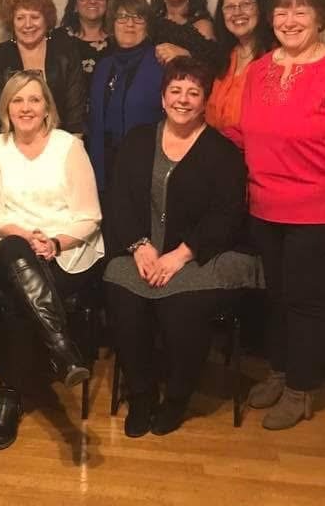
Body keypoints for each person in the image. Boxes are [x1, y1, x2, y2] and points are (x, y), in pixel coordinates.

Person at [235, 0, 325, 430]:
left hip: (316, 212)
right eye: (281, 11)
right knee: (275, 299)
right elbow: (245, 136)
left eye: (300, 10)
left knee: (306, 304)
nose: (289, 20)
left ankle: (301, 389)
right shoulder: (258, 70)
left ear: (320, 16)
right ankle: (279, 371)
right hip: (263, 207)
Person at [105, 57, 251, 437]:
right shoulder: (138, 140)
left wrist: (181, 253)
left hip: (203, 253)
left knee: (179, 307)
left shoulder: (222, 152)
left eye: (193, 93)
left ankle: (177, 398)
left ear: (205, 101)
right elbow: (118, 199)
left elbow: (227, 214)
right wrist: (138, 246)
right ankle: (140, 394)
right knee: (124, 299)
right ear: (162, 96)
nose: (183, 100)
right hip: (141, 248)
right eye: (175, 91)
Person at [0, 71, 103, 450]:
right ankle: (63, 350)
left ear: (47, 106)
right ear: (7, 108)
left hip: (66, 249)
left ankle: (9, 393)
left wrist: (54, 241)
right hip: (11, 241)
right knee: (16, 256)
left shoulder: (69, 146)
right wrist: (25, 235)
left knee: (20, 298)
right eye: (18, 100)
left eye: (34, 99)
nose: (26, 107)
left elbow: (89, 215)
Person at [0, 0, 87, 136]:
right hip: (13, 145)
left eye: (34, 17)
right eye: (20, 18)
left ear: (46, 20)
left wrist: (71, 147)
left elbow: (76, 112)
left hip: (61, 143)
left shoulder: (66, 52)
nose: (28, 25)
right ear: (12, 22)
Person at [87, 0, 163, 196]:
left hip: (145, 168)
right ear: (112, 25)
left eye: (138, 17)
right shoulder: (103, 66)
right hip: (105, 164)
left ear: (148, 26)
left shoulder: (161, 64)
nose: (130, 24)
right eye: (122, 17)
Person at [205, 0, 276, 130]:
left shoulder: (276, 58)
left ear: (260, 8)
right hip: (217, 149)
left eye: (246, 4)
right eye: (229, 7)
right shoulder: (221, 57)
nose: (237, 12)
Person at [58, 0, 112, 85]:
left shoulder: (118, 41)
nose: (92, 1)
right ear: (75, 4)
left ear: (107, 2)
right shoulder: (58, 39)